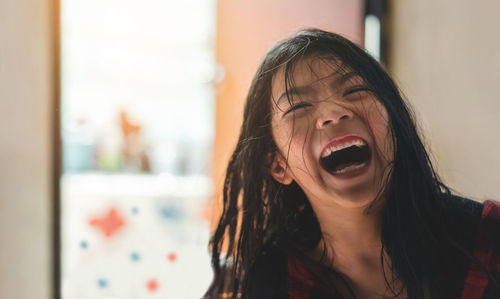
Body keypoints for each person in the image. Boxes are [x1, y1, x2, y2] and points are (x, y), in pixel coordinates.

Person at [203, 29, 500, 299]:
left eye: (355, 91)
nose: (334, 112)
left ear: (393, 123)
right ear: (278, 165)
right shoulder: (274, 283)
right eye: (299, 107)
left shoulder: (488, 240)